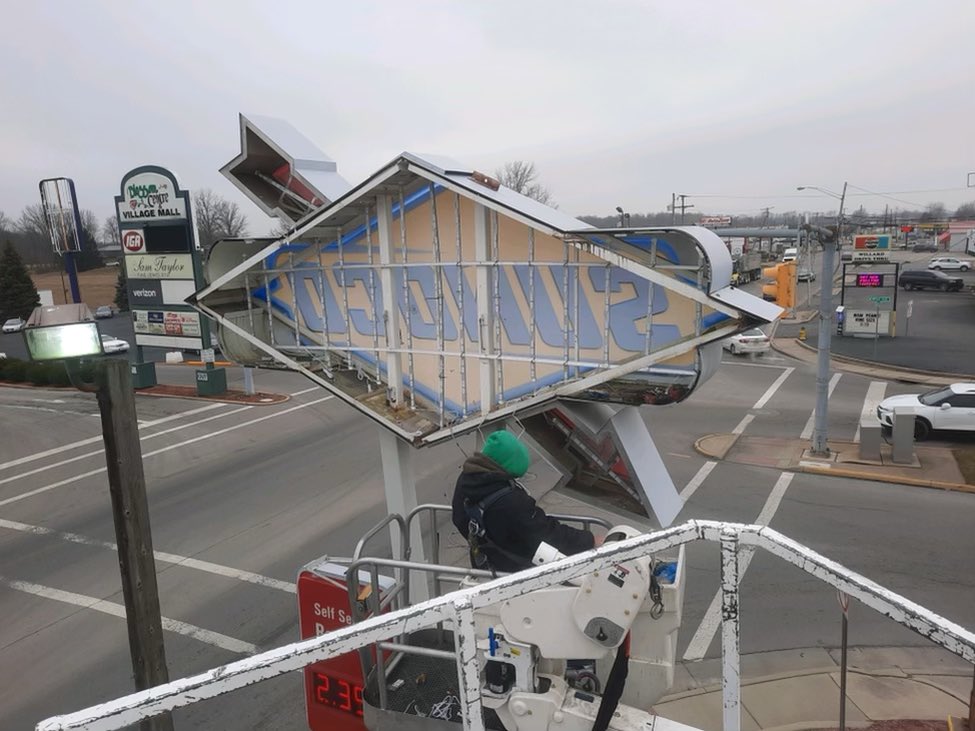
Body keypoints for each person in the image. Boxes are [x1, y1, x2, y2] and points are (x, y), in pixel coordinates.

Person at [452, 429, 596, 573]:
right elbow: (547, 534)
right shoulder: (511, 501)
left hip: (484, 562)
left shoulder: (466, 479)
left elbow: (459, 518)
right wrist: (589, 540)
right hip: (513, 571)